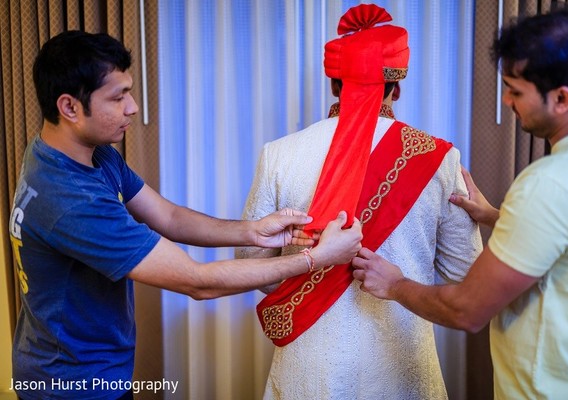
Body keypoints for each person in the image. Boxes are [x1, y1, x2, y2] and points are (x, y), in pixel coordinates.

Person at [8, 30, 363, 400]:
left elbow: (170, 217)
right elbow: (197, 282)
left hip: (79, 365)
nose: (132, 107)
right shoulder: (71, 201)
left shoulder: (80, 152)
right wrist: (315, 259)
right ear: (69, 108)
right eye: (118, 97)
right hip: (71, 385)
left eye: (129, 92)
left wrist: (253, 232)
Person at [352, 8, 568, 400]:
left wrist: (395, 284)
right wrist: (498, 217)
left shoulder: (547, 185)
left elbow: (467, 310)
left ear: (562, 98)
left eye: (516, 91)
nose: (505, 100)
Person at [236, 4, 482, 399]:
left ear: (334, 84)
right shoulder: (439, 158)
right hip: (401, 365)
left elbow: (253, 269)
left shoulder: (279, 154)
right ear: (396, 86)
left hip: (310, 368)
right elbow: (465, 274)